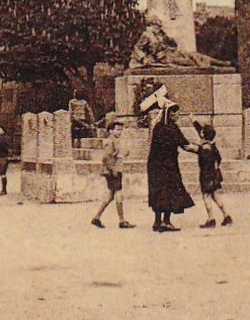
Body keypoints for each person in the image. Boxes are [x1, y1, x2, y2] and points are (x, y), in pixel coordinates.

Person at [144, 92, 196, 232]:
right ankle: (166, 222)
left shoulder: (158, 126)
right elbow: (185, 145)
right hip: (168, 165)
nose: (178, 115)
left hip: (155, 165)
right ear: (171, 114)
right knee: (170, 191)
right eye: (176, 113)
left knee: (158, 192)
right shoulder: (171, 127)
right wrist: (203, 150)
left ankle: (157, 222)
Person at [90, 114, 134, 229]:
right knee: (118, 194)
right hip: (112, 171)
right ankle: (122, 220)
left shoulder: (115, 141)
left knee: (110, 195)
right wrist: (114, 169)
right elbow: (106, 158)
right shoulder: (109, 141)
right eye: (118, 130)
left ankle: (97, 217)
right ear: (111, 131)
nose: (120, 132)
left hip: (114, 170)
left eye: (121, 130)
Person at [194, 123, 232, 228]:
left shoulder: (204, 148)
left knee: (206, 195)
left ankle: (211, 219)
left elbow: (197, 150)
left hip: (205, 175)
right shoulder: (213, 145)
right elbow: (219, 159)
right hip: (214, 174)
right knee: (215, 195)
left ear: (203, 134)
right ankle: (226, 216)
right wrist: (194, 122)